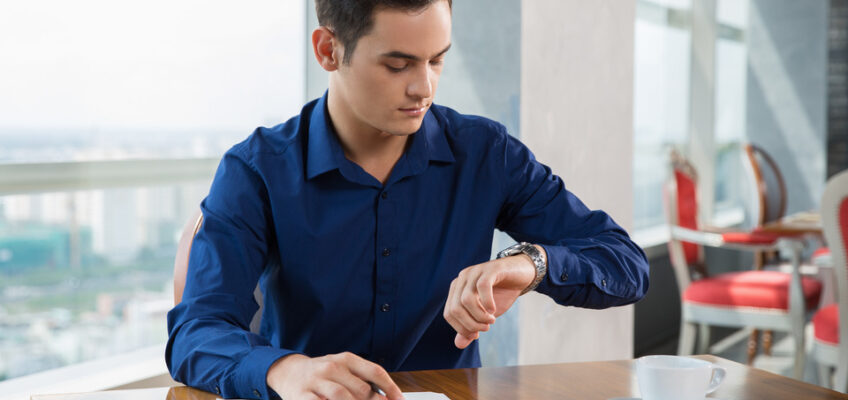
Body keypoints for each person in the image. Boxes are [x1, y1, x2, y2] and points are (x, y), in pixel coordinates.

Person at [166, 0, 650, 399]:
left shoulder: (486, 154)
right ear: (329, 49)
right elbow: (195, 333)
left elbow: (627, 265)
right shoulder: (256, 170)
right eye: (398, 64)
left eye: (437, 59)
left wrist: (533, 263)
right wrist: (285, 370)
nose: (425, 87)